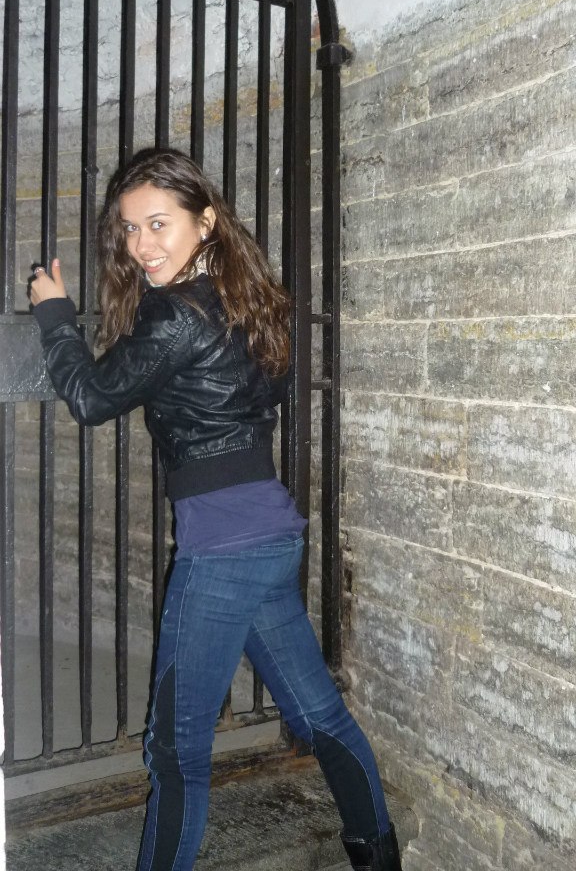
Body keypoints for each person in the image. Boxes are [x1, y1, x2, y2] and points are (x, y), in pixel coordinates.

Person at [30, 147, 402, 871]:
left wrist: (53, 315)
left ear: (205, 221)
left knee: (176, 751)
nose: (141, 245)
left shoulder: (178, 312)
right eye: (129, 229)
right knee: (320, 717)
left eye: (158, 224)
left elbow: (92, 397)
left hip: (225, 549)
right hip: (268, 535)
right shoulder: (250, 297)